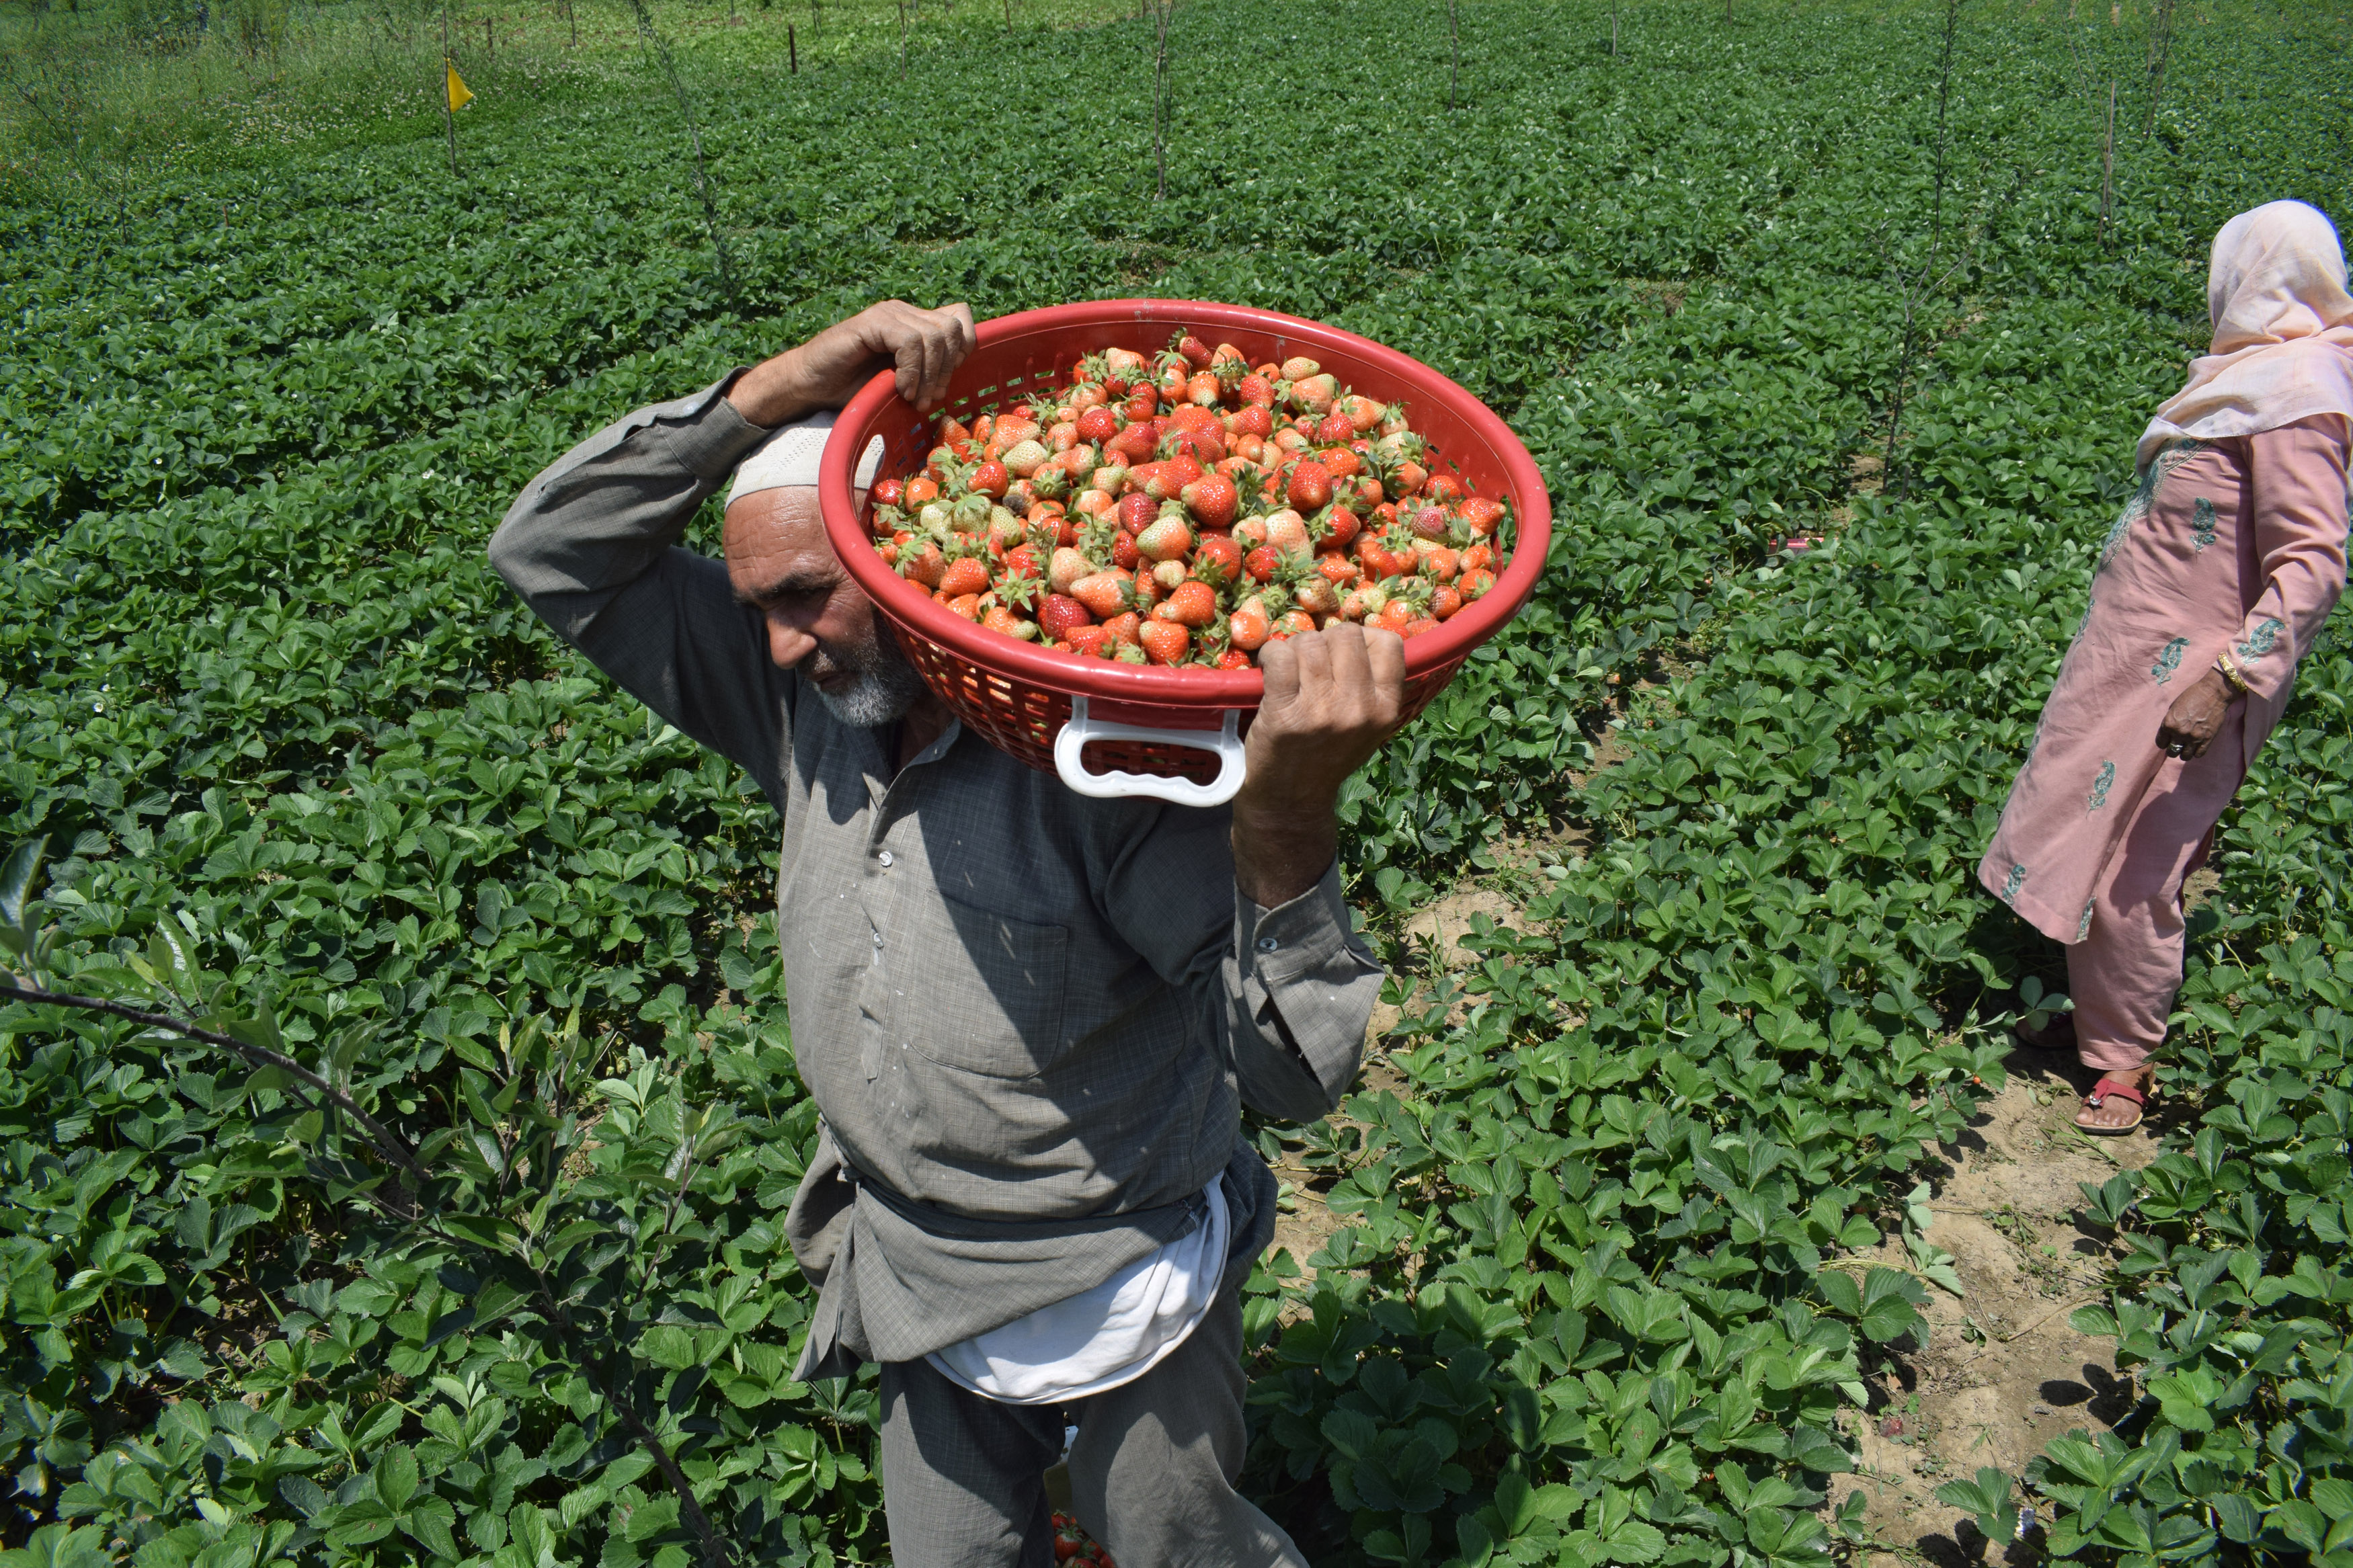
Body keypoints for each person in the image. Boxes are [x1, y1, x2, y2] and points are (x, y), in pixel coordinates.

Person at [489, 299, 1404, 1567]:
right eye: (756, 605)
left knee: (1173, 1540)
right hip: (909, 1259)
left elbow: (1295, 1076)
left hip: (1117, 1251)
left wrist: (1287, 824)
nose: (777, 644)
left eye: (808, 595)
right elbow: (552, 550)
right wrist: (769, 390)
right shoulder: (798, 706)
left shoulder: (1100, 768)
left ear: (899, 562)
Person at [1981, 200, 2353, 1134]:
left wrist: (2226, 678)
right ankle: (2079, 1010)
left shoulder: (2303, 389)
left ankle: (2123, 1060)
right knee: (2082, 818)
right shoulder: (2242, 380)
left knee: (2143, 861)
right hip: (2126, 659)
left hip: (2199, 674)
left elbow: (2313, 564)